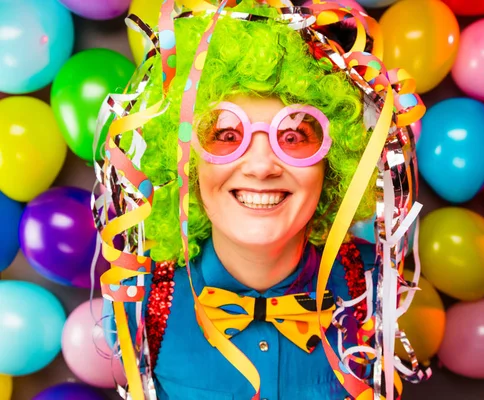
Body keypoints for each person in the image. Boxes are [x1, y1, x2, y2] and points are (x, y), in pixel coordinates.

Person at [95, 0, 428, 399]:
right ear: (186, 162)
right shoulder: (142, 303)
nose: (260, 166)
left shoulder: (375, 288)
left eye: (293, 137)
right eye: (225, 135)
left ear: (336, 164)